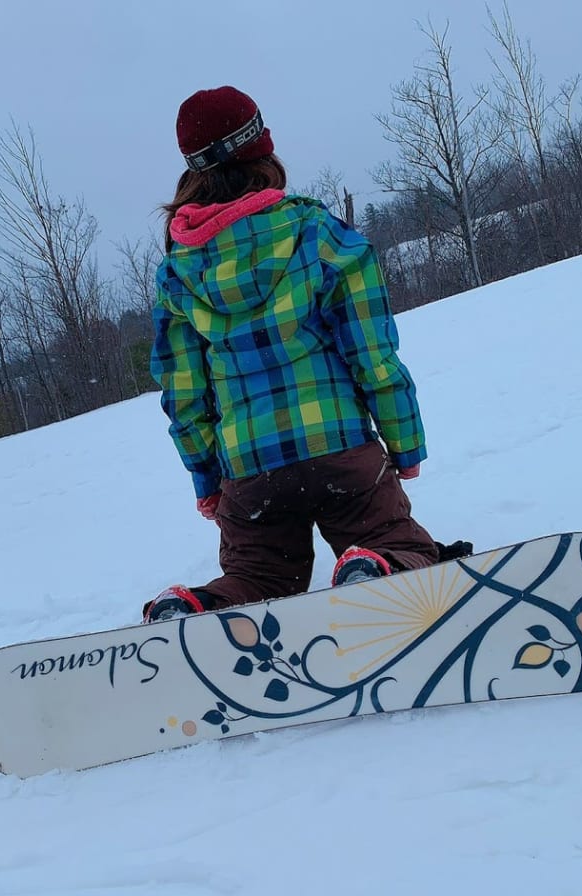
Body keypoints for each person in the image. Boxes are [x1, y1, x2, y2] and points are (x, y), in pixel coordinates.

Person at [144, 86, 460, 624]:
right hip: (340, 447)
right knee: (389, 538)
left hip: (249, 467)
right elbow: (373, 356)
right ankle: (379, 569)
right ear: (261, 148)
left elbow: (185, 396)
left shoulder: (178, 273)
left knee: (259, 575)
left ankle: (204, 609)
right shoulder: (320, 236)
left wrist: (207, 479)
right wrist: (405, 444)